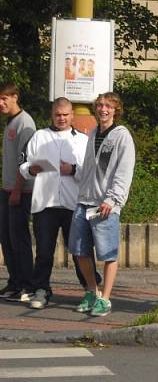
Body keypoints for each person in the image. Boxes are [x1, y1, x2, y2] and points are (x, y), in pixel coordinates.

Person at [19, 98, 100, 309]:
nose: (62, 118)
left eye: (65, 115)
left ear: (72, 115)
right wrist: (31, 169)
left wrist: (73, 170)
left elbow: (91, 173)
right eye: (58, 115)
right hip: (45, 204)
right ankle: (41, 290)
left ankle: (91, 289)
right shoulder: (39, 137)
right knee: (44, 252)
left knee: (80, 251)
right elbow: (24, 165)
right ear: (52, 115)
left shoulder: (82, 140)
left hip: (74, 204)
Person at [68, 92, 136, 317]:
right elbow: (90, 167)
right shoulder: (94, 132)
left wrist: (113, 198)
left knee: (108, 253)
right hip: (84, 200)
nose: (103, 109)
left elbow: (124, 171)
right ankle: (92, 290)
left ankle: (105, 299)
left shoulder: (121, 136)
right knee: (79, 250)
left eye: (108, 106)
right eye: (99, 105)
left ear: (116, 110)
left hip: (106, 204)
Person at [0, 82, 36, 301]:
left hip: (20, 191)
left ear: (15, 97)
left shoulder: (25, 123)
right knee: (6, 237)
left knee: (19, 238)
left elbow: (26, 160)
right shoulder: (10, 122)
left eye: (4, 98)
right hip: (7, 189)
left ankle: (26, 283)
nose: (1, 103)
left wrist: (17, 190)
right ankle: (14, 281)